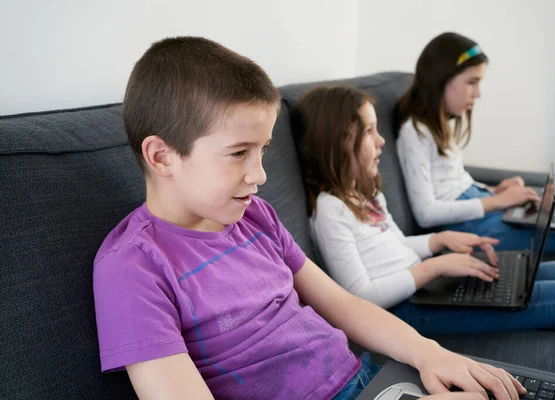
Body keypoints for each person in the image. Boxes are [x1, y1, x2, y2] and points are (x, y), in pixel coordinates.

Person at [92, 37, 526, 400]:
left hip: (371, 382)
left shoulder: (255, 217)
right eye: (239, 153)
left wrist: (428, 353)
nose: (259, 175)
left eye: (261, 151)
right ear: (161, 156)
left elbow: (342, 304)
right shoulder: (132, 267)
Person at [295, 84, 555, 340]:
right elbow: (358, 298)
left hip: (423, 288)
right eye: (369, 131)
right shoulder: (329, 210)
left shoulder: (364, 193)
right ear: (338, 142)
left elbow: (398, 245)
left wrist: (441, 240)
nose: (381, 140)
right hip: (403, 313)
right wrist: (434, 267)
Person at [394, 32, 555, 252]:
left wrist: (495, 191)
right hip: (467, 226)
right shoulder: (415, 133)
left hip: (477, 207)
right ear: (440, 80)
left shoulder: (440, 122)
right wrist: (496, 202)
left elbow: (452, 183)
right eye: (472, 82)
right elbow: (426, 213)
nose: (478, 93)